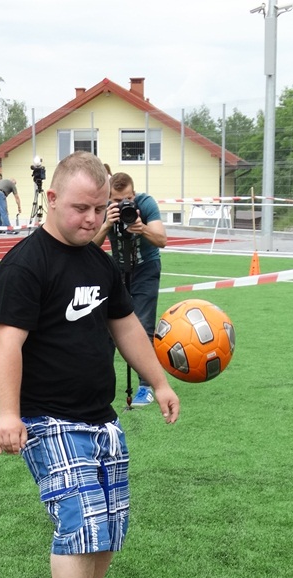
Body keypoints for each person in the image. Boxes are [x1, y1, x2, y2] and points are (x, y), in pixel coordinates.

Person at [0, 152, 180, 578]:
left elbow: (127, 328)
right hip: (47, 419)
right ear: (51, 199)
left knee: (112, 521)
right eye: (80, 208)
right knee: (79, 522)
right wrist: (7, 414)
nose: (92, 218)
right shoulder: (25, 266)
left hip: (100, 416)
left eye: (100, 209)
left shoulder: (100, 264)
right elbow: (7, 345)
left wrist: (159, 382)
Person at [93, 171, 167, 407]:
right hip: (117, 270)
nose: (122, 204)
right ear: (108, 198)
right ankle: (99, 383)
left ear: (134, 195)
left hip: (146, 268)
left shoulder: (145, 204)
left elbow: (162, 240)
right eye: (116, 200)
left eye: (127, 199)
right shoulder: (104, 210)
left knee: (143, 325)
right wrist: (106, 224)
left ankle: (146, 386)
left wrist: (141, 228)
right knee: (107, 327)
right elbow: (89, 247)